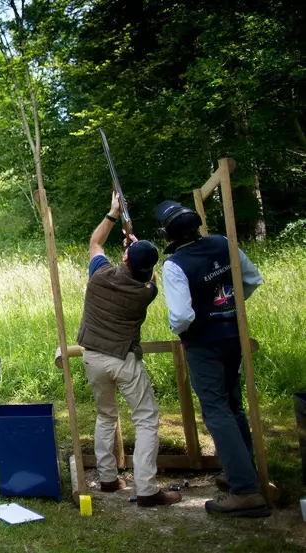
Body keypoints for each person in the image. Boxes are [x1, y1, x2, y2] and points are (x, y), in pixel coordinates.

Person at [157, 199, 268, 517]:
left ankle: (245, 490)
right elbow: (251, 280)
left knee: (217, 411)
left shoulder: (175, 264)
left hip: (203, 343)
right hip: (234, 335)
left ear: (168, 234)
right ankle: (242, 472)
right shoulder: (222, 243)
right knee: (233, 405)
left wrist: (185, 326)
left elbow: (181, 316)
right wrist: (232, 307)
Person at [76, 192, 180, 507]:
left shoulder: (99, 275)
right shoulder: (147, 291)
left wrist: (112, 214)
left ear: (123, 260)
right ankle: (147, 488)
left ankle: (108, 478)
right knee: (146, 418)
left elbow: (95, 244)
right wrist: (134, 249)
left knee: (106, 415)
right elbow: (149, 275)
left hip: (92, 357)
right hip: (123, 359)